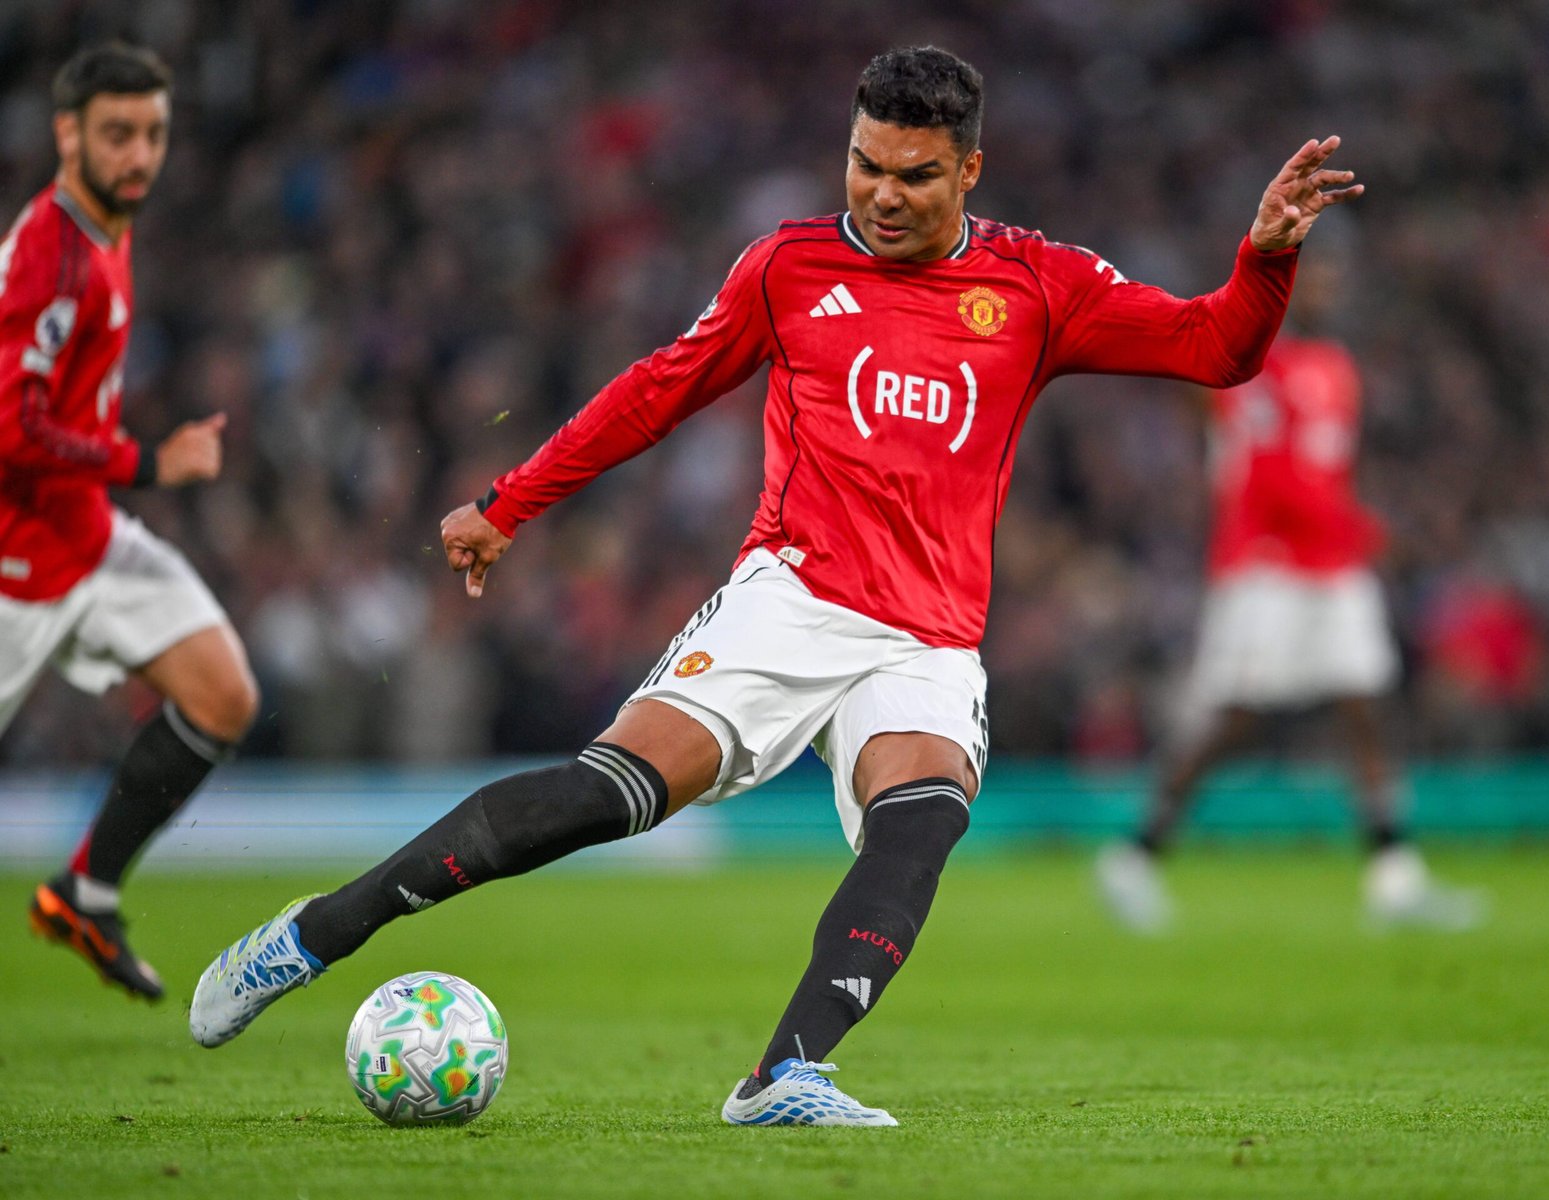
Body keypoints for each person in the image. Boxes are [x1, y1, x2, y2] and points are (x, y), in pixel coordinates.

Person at [190, 46, 1358, 1125]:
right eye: (864, 164)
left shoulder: (1038, 284)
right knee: (606, 796)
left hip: (928, 636)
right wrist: (509, 503)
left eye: (914, 175)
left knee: (921, 818)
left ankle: (783, 1074)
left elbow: (1216, 349)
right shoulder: (789, 268)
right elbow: (658, 389)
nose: (882, 195)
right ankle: (311, 935)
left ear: (968, 171)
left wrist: (1264, 257)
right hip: (789, 602)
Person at [1095, 258, 1483, 933]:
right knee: (1238, 718)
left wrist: (1351, 531)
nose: (1329, 291)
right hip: (1266, 565)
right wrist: (1366, 531)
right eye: (1316, 279)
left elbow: (1330, 471)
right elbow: (1270, 475)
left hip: (1333, 563)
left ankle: (1394, 874)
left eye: (1335, 280)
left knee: (1365, 704)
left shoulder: (1337, 367)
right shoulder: (1253, 364)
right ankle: (1136, 854)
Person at [3, 43, 259, 999]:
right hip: (13, 566)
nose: (140, 154)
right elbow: (10, 427)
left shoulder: (106, 228)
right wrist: (152, 463)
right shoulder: (51, 253)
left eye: (153, 133)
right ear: (66, 135)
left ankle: (86, 893)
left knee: (222, 694)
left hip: (85, 536)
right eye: (118, 134)